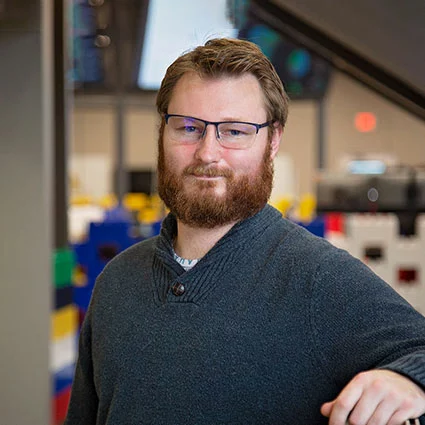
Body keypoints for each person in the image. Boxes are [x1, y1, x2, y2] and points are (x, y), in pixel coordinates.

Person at [65, 38, 425, 425]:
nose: (207, 152)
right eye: (188, 127)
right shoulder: (117, 281)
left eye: (234, 132)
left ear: (272, 142)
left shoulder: (319, 278)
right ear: (162, 134)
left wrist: (409, 381)